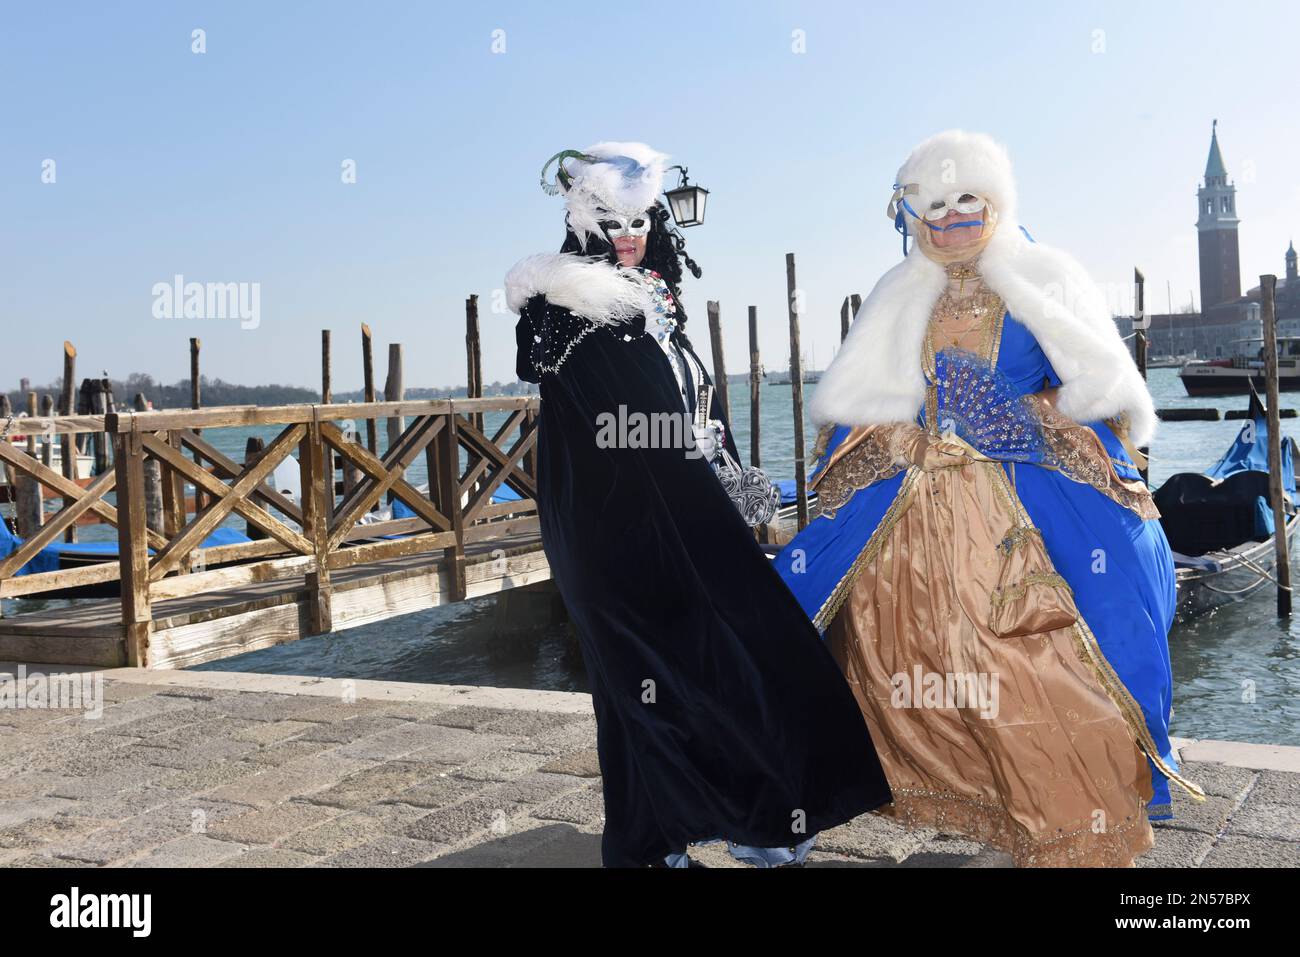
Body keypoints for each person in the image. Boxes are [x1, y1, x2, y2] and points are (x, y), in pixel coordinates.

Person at [776, 130, 1205, 867]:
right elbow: (865, 406)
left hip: (1018, 513)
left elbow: (1093, 390)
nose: (949, 219)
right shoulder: (898, 290)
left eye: (965, 203)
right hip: (917, 520)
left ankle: (1069, 824)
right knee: (920, 665)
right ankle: (1006, 823)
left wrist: (1018, 423)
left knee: (1036, 668)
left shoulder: (1043, 275)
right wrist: (902, 436)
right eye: (933, 207)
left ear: (994, 200)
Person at [505, 142, 890, 868]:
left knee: (679, 677)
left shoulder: (650, 303)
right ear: (586, 225)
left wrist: (730, 476)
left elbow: (686, 414)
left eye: (641, 219)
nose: (629, 234)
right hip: (619, 534)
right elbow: (631, 432)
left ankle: (678, 832)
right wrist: (721, 491)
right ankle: (686, 831)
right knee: (664, 679)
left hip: (670, 516)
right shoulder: (575, 314)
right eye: (612, 221)